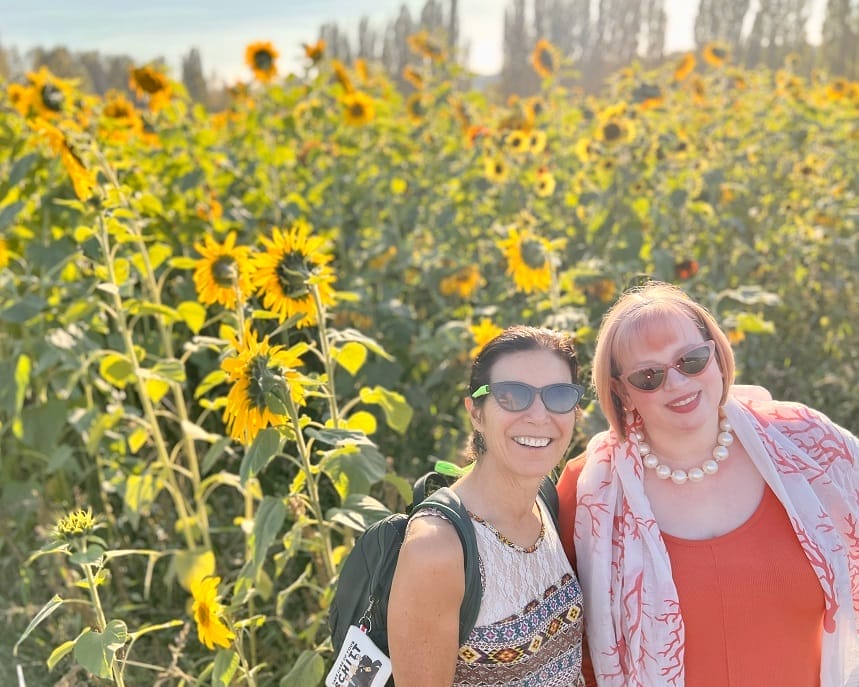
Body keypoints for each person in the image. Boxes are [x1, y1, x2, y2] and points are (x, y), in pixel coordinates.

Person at [557, 281, 859, 687]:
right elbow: (571, 650)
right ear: (622, 392)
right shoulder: (591, 492)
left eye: (692, 360)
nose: (677, 383)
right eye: (649, 376)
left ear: (716, 355)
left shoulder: (809, 450)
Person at [388, 325, 587, 686]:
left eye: (558, 395)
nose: (539, 415)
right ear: (476, 413)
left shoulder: (547, 500)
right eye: (512, 395)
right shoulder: (437, 547)